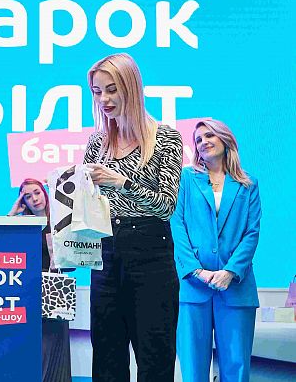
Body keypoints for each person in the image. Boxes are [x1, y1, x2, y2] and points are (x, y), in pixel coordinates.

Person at [82, 53, 183, 381]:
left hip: (150, 252)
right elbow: (87, 204)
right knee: (107, 358)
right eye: (97, 92)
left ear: (132, 88)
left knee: (155, 357)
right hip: (106, 253)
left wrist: (121, 182)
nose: (104, 99)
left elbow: (165, 205)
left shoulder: (165, 137)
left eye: (112, 89)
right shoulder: (97, 142)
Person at [171, 120, 261, 382]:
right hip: (192, 287)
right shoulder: (185, 179)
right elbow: (177, 227)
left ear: (225, 139)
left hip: (236, 289)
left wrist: (230, 271)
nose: (203, 142)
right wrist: (196, 270)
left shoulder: (248, 184)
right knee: (193, 371)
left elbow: (251, 233)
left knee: (236, 369)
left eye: (209, 135)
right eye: (198, 139)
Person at [7, 178, 72, 382]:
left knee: (57, 346)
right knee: (33, 347)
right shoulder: (23, 226)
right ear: (23, 202)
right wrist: (13, 214)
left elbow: (73, 260)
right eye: (27, 196)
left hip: (55, 289)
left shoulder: (61, 222)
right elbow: (2, 248)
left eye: (37, 192)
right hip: (28, 291)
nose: (34, 199)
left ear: (45, 193)